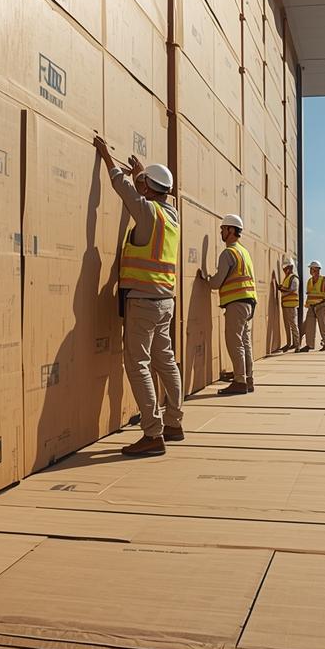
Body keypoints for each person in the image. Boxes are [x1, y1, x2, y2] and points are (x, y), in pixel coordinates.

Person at [92, 135, 184, 457]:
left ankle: (152, 433)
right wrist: (144, 176)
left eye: (144, 184)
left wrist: (107, 157)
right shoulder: (171, 217)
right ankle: (173, 422)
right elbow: (144, 196)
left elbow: (124, 190)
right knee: (166, 360)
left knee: (138, 364)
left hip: (143, 302)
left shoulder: (146, 213)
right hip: (165, 302)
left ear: (148, 190)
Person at [197, 214, 256, 395]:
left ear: (231, 230)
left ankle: (239, 381)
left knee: (234, 341)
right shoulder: (243, 252)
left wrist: (205, 278)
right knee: (245, 342)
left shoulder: (228, 253)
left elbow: (216, 283)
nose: (221, 232)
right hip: (248, 302)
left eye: (223, 229)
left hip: (236, 303)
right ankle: (248, 378)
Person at [301, 260, 325, 352]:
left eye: (311, 269)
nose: (310, 271)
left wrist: (322, 304)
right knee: (309, 327)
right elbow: (309, 294)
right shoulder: (309, 281)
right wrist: (308, 305)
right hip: (311, 307)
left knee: (323, 326)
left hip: (321, 307)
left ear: (317, 269)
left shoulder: (324, 280)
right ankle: (309, 345)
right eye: (310, 269)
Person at [273, 258, 301, 353]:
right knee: (287, 325)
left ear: (290, 267)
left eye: (286, 268)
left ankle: (297, 345)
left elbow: (291, 289)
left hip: (291, 305)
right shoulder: (287, 278)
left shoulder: (294, 278)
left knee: (293, 325)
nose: (284, 270)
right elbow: (285, 288)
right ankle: (289, 344)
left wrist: (281, 288)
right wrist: (280, 286)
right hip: (285, 305)